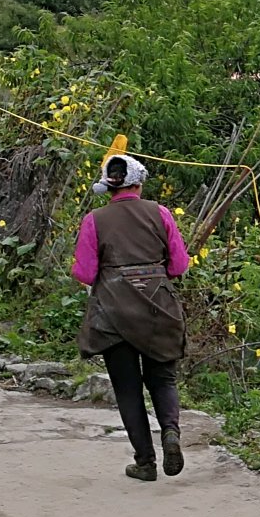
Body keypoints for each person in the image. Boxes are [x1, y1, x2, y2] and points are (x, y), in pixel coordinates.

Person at [72, 150, 191, 483]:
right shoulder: (161, 213)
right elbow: (179, 266)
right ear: (138, 184)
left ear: (108, 188)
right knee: (163, 379)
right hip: (159, 308)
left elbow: (84, 272)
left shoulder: (94, 220)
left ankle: (145, 462)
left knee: (127, 389)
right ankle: (170, 432)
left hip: (112, 312)